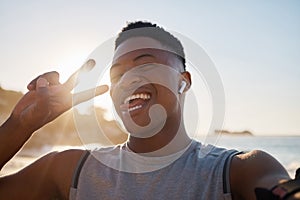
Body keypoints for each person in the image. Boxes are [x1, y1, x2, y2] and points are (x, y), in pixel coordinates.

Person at [0, 21, 299, 200]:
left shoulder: (236, 172)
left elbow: (279, 190)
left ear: (184, 81)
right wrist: (19, 125)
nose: (128, 79)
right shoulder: (70, 171)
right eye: (117, 74)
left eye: (145, 63)